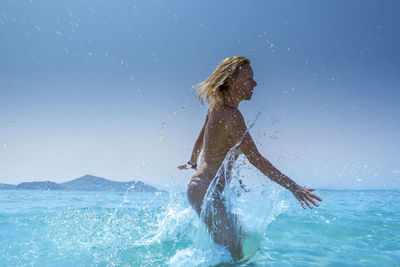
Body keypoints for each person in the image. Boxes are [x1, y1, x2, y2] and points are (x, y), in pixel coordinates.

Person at [178, 56, 322, 260]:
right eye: (249, 78)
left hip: (202, 189)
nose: (255, 83)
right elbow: (256, 159)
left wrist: (192, 162)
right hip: (204, 191)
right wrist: (293, 187)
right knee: (233, 253)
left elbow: (200, 140)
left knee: (239, 245)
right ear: (231, 81)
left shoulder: (215, 109)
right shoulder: (230, 115)